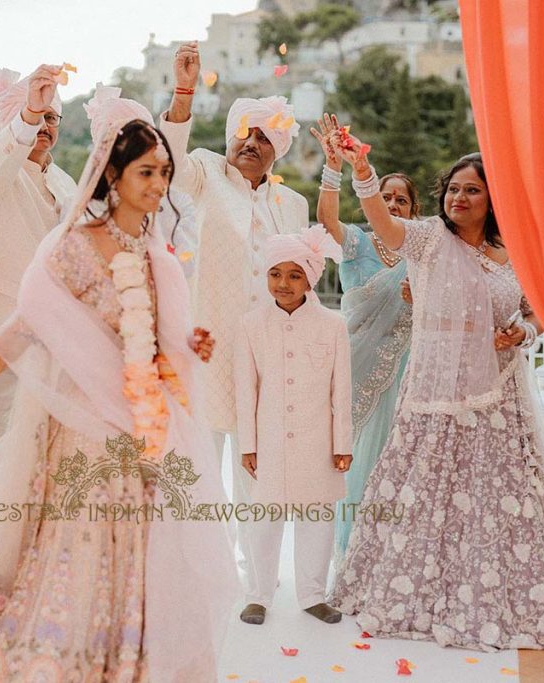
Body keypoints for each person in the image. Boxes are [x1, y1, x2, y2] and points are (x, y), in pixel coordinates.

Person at [0, 89, 237, 682]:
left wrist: (188, 348)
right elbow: (23, 329)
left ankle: (126, 655)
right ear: (113, 177)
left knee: (138, 549)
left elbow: (162, 348)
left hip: (142, 430)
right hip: (80, 428)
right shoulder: (71, 248)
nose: (157, 183)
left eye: (165, 173)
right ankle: (66, 650)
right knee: (80, 540)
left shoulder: (157, 259)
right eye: (146, 171)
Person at [327, 144, 544, 650]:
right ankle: (410, 591)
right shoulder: (430, 240)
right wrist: (362, 173)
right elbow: (384, 223)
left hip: (498, 402)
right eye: (454, 188)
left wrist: (521, 335)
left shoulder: (515, 254)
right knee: (425, 497)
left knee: (495, 501)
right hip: (434, 399)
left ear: (493, 199)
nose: (459, 197)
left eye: (472, 189)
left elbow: (539, 311)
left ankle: (492, 594)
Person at [158, 41, 309, 566]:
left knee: (257, 466)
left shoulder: (291, 203)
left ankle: (255, 576)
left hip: (266, 355)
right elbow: (169, 160)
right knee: (200, 461)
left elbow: (305, 274)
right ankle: (201, 565)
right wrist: (183, 92)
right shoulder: (203, 172)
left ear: (277, 151)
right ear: (231, 137)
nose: (254, 142)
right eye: (246, 132)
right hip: (204, 345)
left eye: (267, 138)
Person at [310, 113, 416, 556]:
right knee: (354, 459)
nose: (392, 205)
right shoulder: (356, 242)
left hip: (407, 369)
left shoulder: (420, 252)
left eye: (401, 201)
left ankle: (392, 551)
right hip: (357, 365)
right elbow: (326, 218)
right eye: (386, 197)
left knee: (398, 459)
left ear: (413, 211)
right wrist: (333, 165)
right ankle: (350, 549)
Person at [235, 225, 351, 626]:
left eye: (294, 275)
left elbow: (341, 391)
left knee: (316, 518)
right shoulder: (251, 324)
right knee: (263, 521)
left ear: (309, 278)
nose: (283, 283)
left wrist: (342, 443)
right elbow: (245, 390)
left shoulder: (333, 325)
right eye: (275, 273)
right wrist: (247, 444)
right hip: (268, 438)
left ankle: (312, 595)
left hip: (317, 439)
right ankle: (257, 594)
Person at [0, 64, 78, 450]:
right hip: (2, 328)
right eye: (35, 116)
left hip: (60, 333)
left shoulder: (63, 181)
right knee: (1, 444)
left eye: (52, 117)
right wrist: (28, 116)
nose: (45, 125)